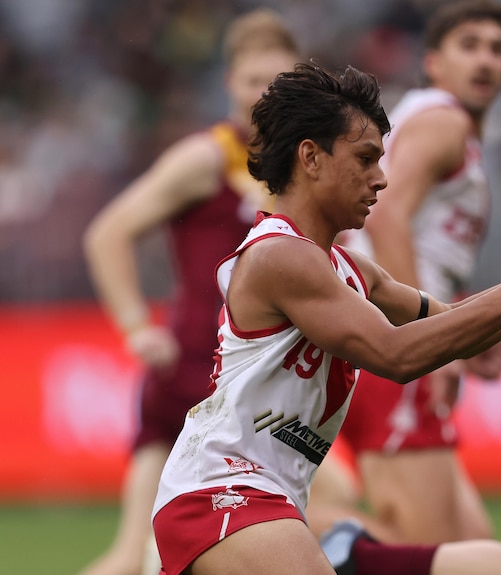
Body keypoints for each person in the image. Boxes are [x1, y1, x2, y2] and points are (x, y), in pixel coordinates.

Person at [151, 61, 501, 575]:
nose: (381, 179)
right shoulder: (282, 257)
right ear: (310, 157)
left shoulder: (351, 270)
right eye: (366, 159)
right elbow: (397, 354)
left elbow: (456, 327)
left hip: (267, 495)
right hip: (222, 491)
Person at [80, 10, 300, 575]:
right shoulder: (204, 158)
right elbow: (107, 234)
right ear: (230, 82)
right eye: (254, 81)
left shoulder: (297, 166)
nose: (264, 96)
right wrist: (134, 326)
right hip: (193, 378)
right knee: (154, 555)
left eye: (279, 84)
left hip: (250, 385)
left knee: (138, 557)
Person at [308, 0, 501, 545]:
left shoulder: (436, 124)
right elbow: (390, 214)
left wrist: (469, 334)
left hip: (381, 327)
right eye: (469, 46)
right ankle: (256, 534)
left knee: (473, 549)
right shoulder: (444, 122)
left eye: (497, 49)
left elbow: (424, 244)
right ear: (434, 62)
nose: (486, 60)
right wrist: (429, 337)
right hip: (393, 340)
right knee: (428, 553)